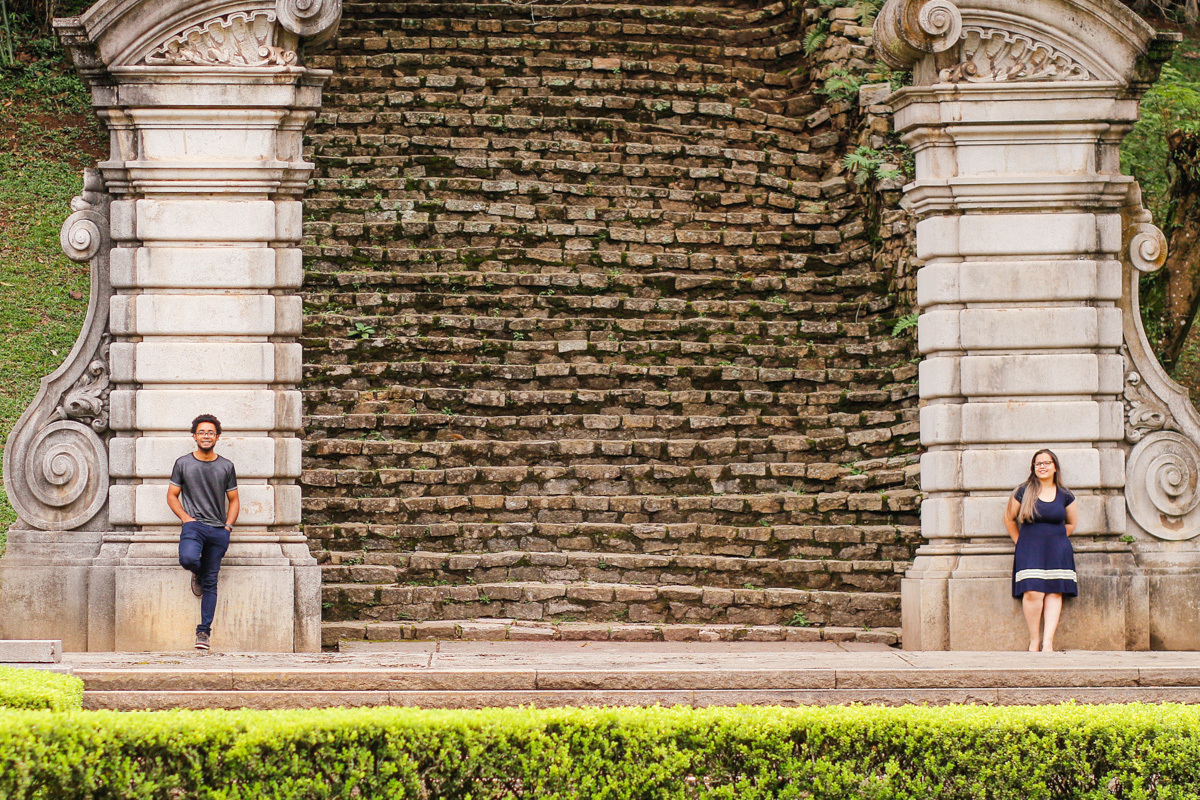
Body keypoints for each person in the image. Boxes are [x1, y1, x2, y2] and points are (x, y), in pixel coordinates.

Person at [167, 414, 239, 651]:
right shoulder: (183, 463)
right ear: (194, 436)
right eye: (201, 432)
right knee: (188, 559)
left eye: (210, 432)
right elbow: (172, 495)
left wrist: (228, 527)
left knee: (211, 582)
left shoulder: (226, 466)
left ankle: (203, 632)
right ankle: (197, 571)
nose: (206, 436)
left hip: (218, 529)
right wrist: (186, 518)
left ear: (217, 437)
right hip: (194, 526)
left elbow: (234, 500)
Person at [1003, 449, 1077, 653]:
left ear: (1055, 467)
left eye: (1046, 463)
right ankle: (1034, 641)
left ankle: (1048, 643)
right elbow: (1008, 519)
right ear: (1033, 468)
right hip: (1029, 549)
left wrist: (1057, 539)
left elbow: (1071, 523)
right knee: (1033, 593)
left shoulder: (1065, 495)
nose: (1042, 466)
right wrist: (1021, 541)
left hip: (1057, 550)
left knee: (1054, 593)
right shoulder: (1023, 491)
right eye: (1038, 463)